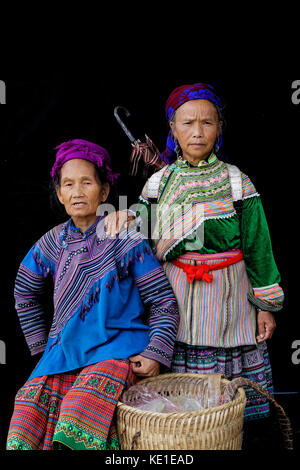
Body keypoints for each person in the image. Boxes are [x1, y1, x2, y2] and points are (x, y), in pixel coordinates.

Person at [105, 83, 284, 425]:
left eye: (207, 122)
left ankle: (225, 432)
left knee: (230, 408)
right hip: (179, 293)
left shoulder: (236, 182)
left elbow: (258, 244)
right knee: (184, 396)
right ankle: (189, 432)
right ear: (172, 128)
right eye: (187, 123)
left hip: (232, 296)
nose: (198, 132)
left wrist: (265, 307)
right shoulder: (159, 183)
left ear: (219, 128)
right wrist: (127, 214)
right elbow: (145, 229)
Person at [6, 139, 179, 451]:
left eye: (87, 182)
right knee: (25, 414)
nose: (77, 191)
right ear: (59, 193)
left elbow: (163, 301)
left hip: (116, 350)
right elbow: (24, 292)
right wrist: (42, 347)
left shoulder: (125, 239)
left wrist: (155, 352)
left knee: (77, 415)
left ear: (104, 191)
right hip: (65, 352)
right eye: (68, 184)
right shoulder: (52, 243)